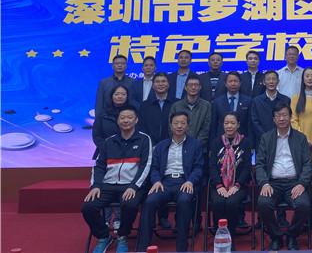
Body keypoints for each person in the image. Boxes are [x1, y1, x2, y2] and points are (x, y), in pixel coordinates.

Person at [82, 105, 151, 253]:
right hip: (108, 184)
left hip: (131, 185)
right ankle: (103, 236)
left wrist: (134, 186)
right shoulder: (109, 141)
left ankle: (122, 236)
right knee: (88, 207)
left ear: (136, 120)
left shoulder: (144, 139)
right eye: (122, 118)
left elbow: (146, 166)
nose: (126, 120)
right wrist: (96, 186)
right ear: (118, 121)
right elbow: (99, 166)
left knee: (130, 205)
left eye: (130, 117)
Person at [138, 111, 204, 252]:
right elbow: (154, 167)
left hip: (184, 181)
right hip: (164, 183)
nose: (179, 126)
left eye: (183, 123)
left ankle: (181, 247)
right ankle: (142, 247)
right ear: (170, 125)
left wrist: (191, 181)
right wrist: (156, 181)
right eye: (176, 123)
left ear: (187, 126)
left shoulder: (195, 144)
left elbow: (199, 167)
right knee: (149, 202)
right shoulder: (161, 146)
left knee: (184, 201)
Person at [256, 102, 312, 251]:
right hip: (272, 183)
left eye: (284, 115)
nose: (281, 118)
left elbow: (307, 164)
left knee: (304, 205)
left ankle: (292, 235)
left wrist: (302, 183)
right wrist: (264, 183)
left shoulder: (300, 138)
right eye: (278, 116)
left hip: (294, 183)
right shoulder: (266, 138)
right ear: (273, 119)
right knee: (263, 203)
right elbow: (260, 164)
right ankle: (276, 236)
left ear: (290, 117)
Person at [209, 112, 253, 247]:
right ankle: (219, 234)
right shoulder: (216, 142)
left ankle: (230, 236)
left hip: (239, 185)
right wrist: (219, 186)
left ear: (238, 125)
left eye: (232, 123)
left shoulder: (245, 142)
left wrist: (237, 185)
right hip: (219, 185)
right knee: (218, 202)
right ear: (223, 125)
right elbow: (212, 167)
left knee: (231, 203)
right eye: (226, 123)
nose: (229, 126)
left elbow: (247, 167)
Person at [212, 71, 253, 143]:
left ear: (240, 83)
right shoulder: (217, 102)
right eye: (230, 81)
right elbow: (214, 125)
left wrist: (250, 142)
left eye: (235, 81)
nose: (233, 84)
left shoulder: (248, 101)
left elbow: (250, 125)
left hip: (242, 141)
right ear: (225, 84)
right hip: (221, 142)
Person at [170, 75, 211, 146]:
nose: (193, 87)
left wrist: (195, 144)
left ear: (200, 87)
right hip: (179, 145)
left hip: (200, 146)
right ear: (185, 87)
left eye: (196, 85)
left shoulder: (206, 105)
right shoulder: (176, 106)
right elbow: (171, 126)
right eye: (190, 85)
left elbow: (206, 128)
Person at [251, 70, 291, 142]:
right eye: (268, 79)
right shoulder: (256, 101)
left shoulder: (286, 100)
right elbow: (255, 122)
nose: (271, 82)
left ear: (278, 81)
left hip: (282, 139)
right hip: (262, 140)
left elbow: (288, 120)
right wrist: (266, 137)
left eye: (274, 79)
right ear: (264, 82)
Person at [92, 85, 130, 159]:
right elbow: (97, 136)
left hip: (129, 154)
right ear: (111, 96)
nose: (120, 96)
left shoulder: (133, 113)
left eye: (123, 94)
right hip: (106, 153)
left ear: (127, 96)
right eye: (117, 94)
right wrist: (108, 148)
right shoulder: (102, 114)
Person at [139, 72, 174, 146]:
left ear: (168, 84)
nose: (160, 84)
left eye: (163, 81)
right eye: (157, 82)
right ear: (153, 85)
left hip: (172, 145)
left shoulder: (176, 104)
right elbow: (142, 127)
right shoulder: (144, 105)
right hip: (150, 145)